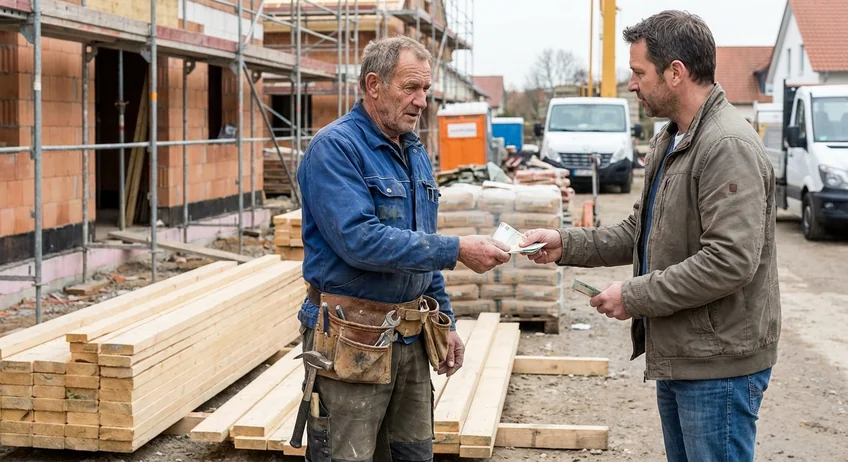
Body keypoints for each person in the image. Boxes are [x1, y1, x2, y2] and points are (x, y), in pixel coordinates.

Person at [520, 10, 781, 462]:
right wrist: (566, 243)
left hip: (717, 365)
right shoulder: (672, 140)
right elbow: (638, 231)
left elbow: (730, 261)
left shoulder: (725, 146)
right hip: (685, 352)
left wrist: (635, 296)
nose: (632, 84)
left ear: (675, 72)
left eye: (639, 72)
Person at [295, 35, 511, 462]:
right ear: (373, 85)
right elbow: (360, 241)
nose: (421, 101)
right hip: (350, 339)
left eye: (426, 90)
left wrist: (445, 320)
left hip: (409, 339)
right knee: (348, 455)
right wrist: (457, 249)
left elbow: (421, 247)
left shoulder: (413, 153)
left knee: (413, 453)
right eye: (410, 88)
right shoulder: (335, 149)